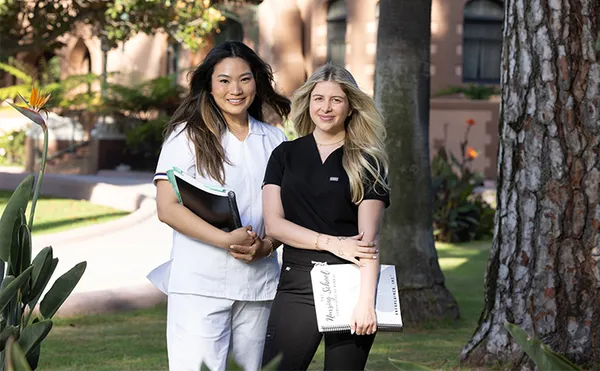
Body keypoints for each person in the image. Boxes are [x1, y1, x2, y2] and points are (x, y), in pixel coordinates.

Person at [148, 41, 290, 371]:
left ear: (257, 81)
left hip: (258, 285)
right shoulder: (186, 136)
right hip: (200, 283)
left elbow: (286, 211)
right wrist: (225, 240)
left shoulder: (275, 140)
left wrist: (267, 245)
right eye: (224, 80)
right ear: (209, 86)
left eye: (244, 79)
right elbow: (167, 207)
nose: (235, 89)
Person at [261, 63, 390, 370]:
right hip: (296, 284)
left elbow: (368, 241)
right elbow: (274, 225)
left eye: (336, 100)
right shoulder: (284, 155)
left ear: (350, 107)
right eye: (319, 98)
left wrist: (365, 302)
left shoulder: (366, 161)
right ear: (308, 102)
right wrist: (332, 243)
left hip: (350, 284)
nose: (326, 107)